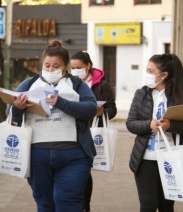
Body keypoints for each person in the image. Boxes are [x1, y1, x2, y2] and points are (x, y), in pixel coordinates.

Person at [10, 40, 97, 212]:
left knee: (68, 204)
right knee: (45, 205)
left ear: (65, 67)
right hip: (37, 158)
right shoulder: (29, 84)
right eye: (47, 65)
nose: (50, 70)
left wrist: (61, 102)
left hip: (74, 157)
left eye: (55, 66)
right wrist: (17, 107)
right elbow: (10, 114)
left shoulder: (77, 85)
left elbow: (90, 109)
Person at [126, 53, 183, 212]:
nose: (147, 74)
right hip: (145, 158)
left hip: (172, 158)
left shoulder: (180, 95)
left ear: (164, 75)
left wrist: (170, 125)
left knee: (166, 205)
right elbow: (131, 123)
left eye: (151, 71)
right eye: (147, 70)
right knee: (148, 205)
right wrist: (148, 125)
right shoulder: (141, 94)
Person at [70, 51, 117, 212]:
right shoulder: (68, 83)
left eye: (79, 67)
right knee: (76, 169)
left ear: (88, 66)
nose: (75, 71)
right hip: (71, 132)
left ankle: (84, 206)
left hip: (91, 132)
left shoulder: (101, 84)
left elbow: (112, 109)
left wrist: (102, 113)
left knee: (84, 169)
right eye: (73, 68)